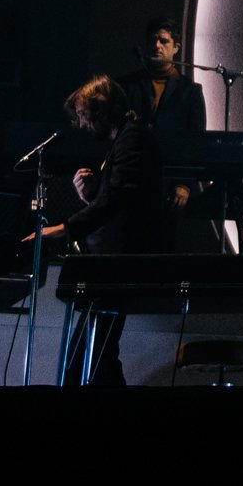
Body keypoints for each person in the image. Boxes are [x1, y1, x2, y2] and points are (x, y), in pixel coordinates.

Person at [53, 74, 167, 384]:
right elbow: (117, 200)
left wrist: (65, 228)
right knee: (94, 357)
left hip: (118, 268)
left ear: (102, 110)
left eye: (82, 115)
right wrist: (92, 195)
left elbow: (119, 200)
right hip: (111, 269)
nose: (80, 124)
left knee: (88, 358)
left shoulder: (133, 139)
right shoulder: (125, 140)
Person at [121, 16, 209, 213]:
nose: (157, 46)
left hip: (169, 186)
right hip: (130, 180)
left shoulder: (190, 91)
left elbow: (195, 142)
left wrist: (184, 184)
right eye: (153, 41)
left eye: (163, 41)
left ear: (176, 47)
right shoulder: (127, 86)